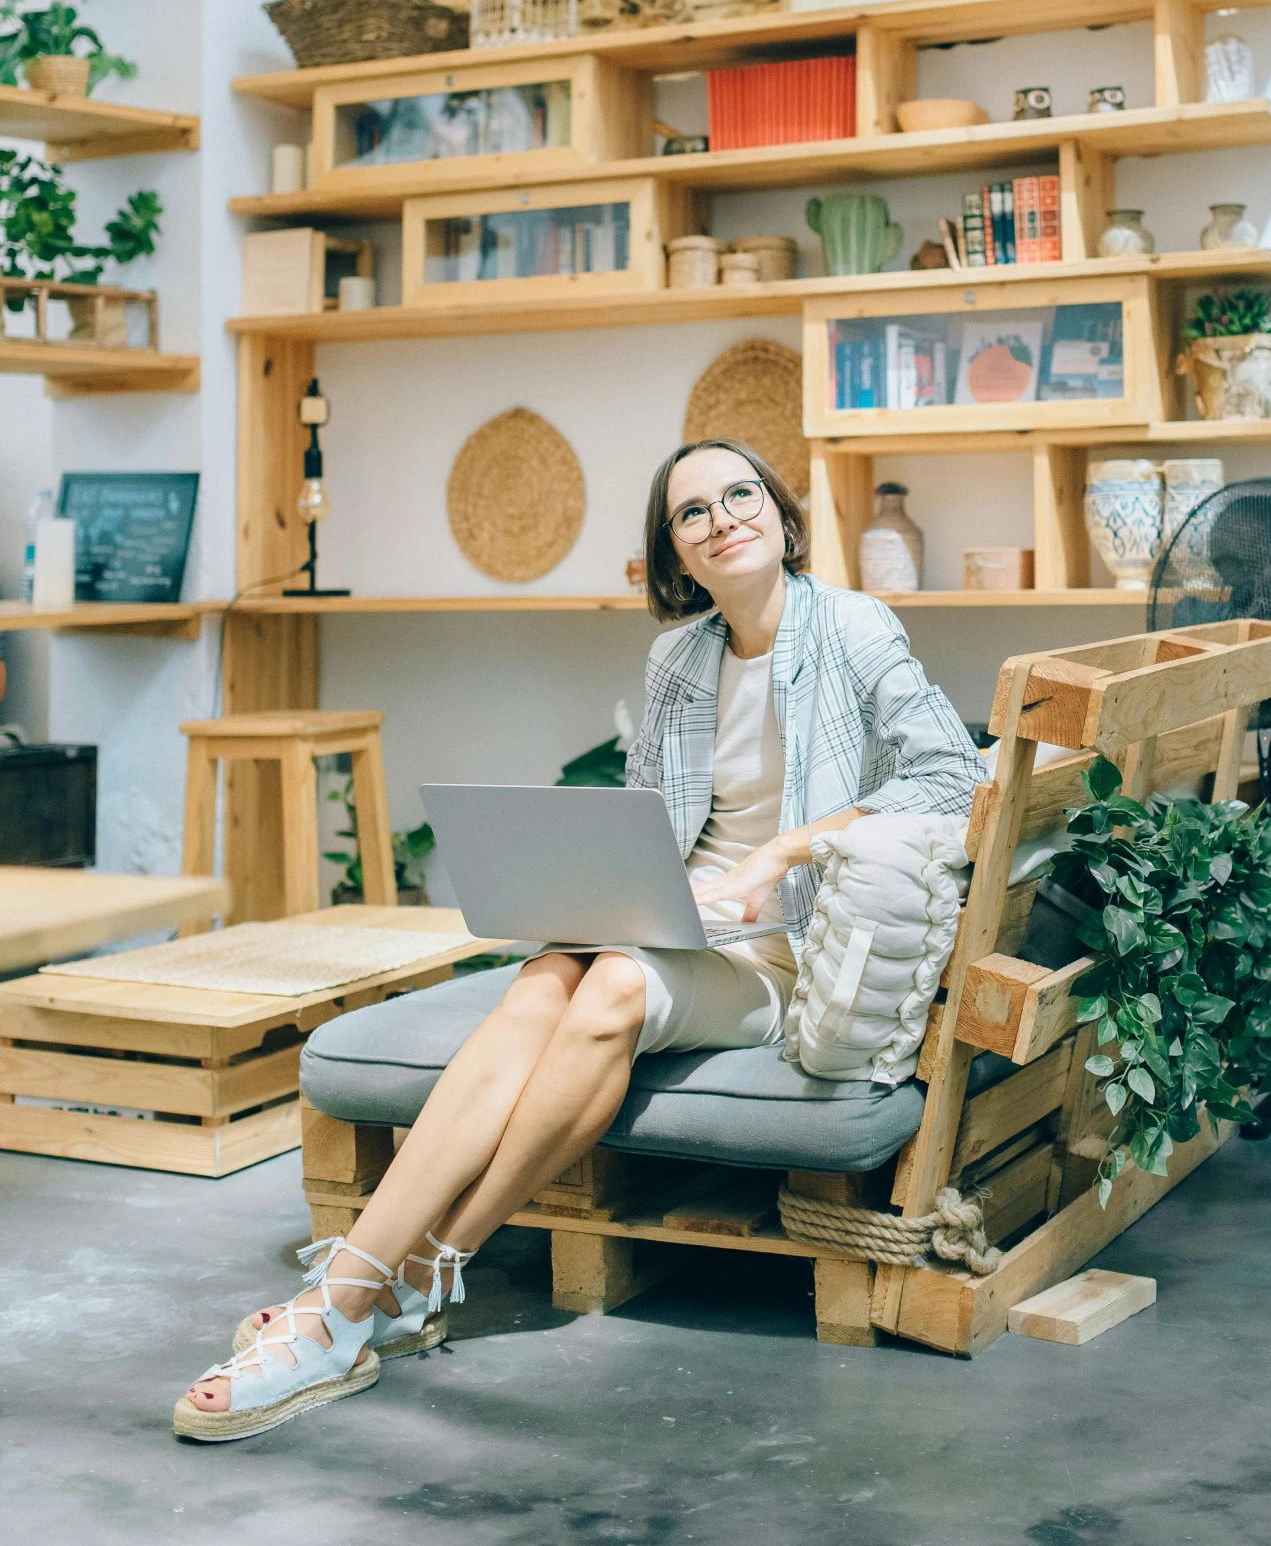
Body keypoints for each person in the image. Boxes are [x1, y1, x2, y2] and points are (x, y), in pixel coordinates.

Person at [175, 438, 985, 1440]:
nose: (722, 517)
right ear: (677, 554)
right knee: (545, 979)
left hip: (787, 942)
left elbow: (955, 777)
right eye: (693, 512)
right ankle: (389, 1281)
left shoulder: (855, 628)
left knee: (605, 990)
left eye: (741, 495)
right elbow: (642, 814)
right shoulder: (678, 658)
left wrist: (786, 850)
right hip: (676, 921)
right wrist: (590, 887)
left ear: (781, 518)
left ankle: (369, 1287)